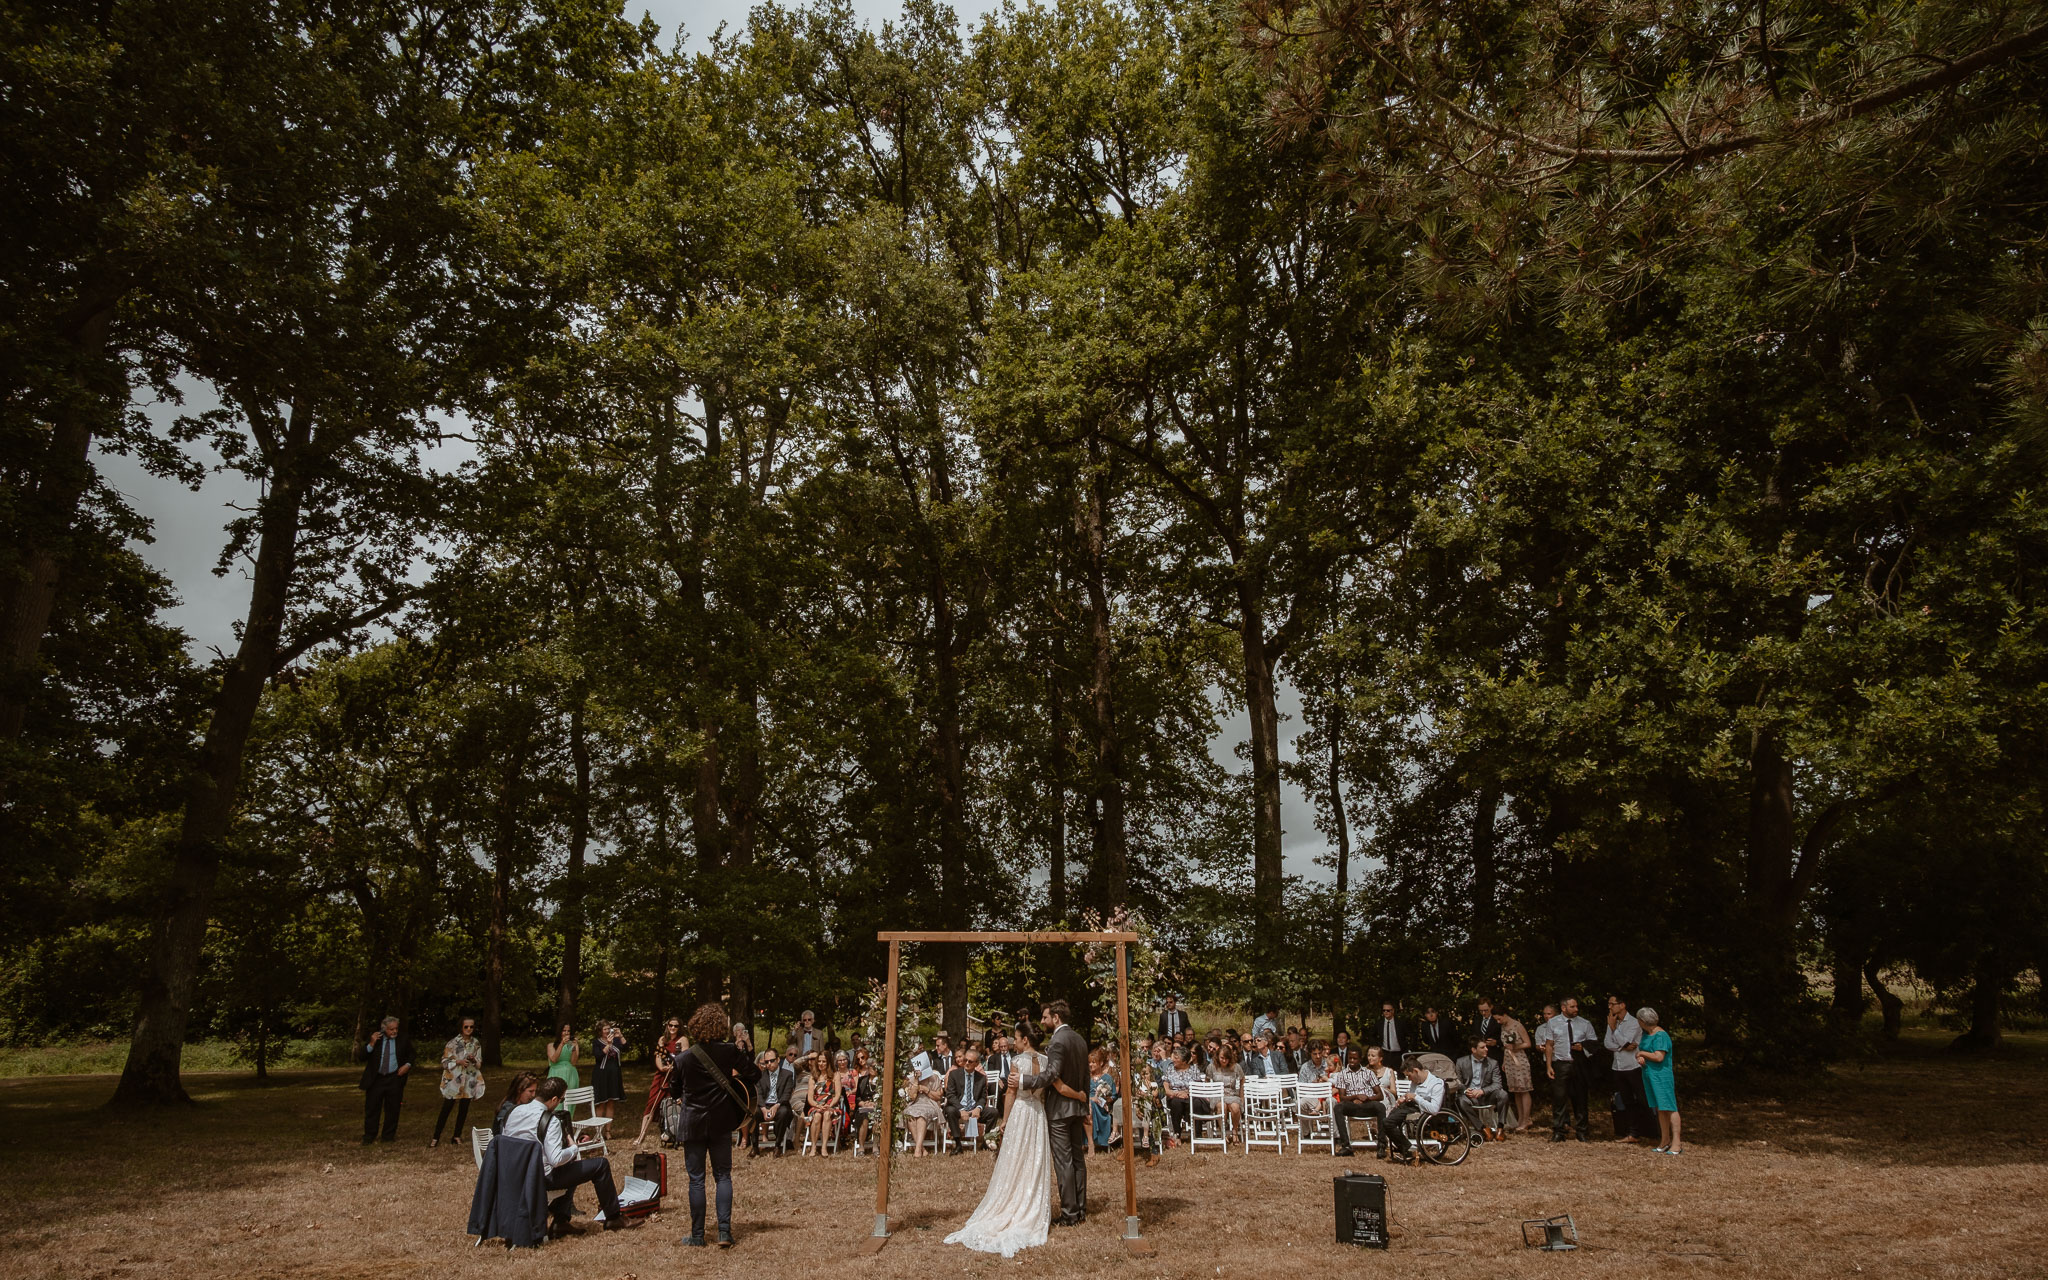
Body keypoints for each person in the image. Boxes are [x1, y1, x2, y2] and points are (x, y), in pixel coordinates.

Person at [945, 1024, 1053, 1256]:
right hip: (1038, 1113)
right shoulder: (1045, 1061)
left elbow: (1012, 1093)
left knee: (1015, 1159)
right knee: (1034, 1157)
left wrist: (1005, 1120)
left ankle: (1012, 1202)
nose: (1014, 1042)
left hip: (1022, 1111)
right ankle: (1030, 1201)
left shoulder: (1017, 1061)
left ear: (1025, 1039)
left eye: (1016, 1038)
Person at [670, 1001, 763, 1248]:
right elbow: (755, 1074)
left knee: (696, 1179)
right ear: (721, 1026)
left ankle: (698, 1236)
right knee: (723, 1176)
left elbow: (674, 1091)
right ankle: (724, 1232)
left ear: (695, 1027)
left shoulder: (683, 1059)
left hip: (693, 1122)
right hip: (721, 1121)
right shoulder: (730, 1051)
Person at [505, 1077, 625, 1237]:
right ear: (554, 1099)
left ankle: (560, 1223)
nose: (559, 1103)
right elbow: (555, 1159)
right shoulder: (550, 1120)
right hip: (540, 1178)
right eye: (561, 1099)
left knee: (570, 1167)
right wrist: (574, 1148)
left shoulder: (514, 1112)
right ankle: (614, 1218)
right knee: (600, 1165)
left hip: (513, 1174)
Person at [1017, 1001, 1092, 1227]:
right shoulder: (1079, 1039)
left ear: (1056, 1017)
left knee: (1064, 1162)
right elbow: (1086, 1076)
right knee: (1078, 1160)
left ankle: (1069, 1213)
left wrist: (1024, 1080)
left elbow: (1051, 1074)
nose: (1042, 1021)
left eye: (1045, 1017)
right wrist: (1084, 1101)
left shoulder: (1058, 1041)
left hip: (1060, 1110)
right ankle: (1080, 1208)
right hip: (1077, 1107)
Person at [1539, 997, 1599, 1142]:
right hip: (1560, 1063)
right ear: (1564, 1008)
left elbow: (1594, 1043)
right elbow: (1549, 1045)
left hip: (1579, 1064)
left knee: (1581, 1098)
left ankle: (1582, 1131)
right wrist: (1548, 1066)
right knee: (1559, 1098)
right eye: (1572, 1007)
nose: (1576, 1009)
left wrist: (1582, 1047)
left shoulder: (1585, 1023)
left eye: (1576, 1006)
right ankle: (1559, 1131)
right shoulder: (1553, 1023)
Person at [355, 1016, 413, 1144]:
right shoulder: (376, 1038)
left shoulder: (403, 1038)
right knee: (372, 1108)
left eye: (396, 1029)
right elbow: (362, 1057)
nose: (394, 1032)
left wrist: (407, 1065)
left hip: (395, 1078)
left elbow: (411, 1055)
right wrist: (371, 1044)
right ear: (384, 1029)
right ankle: (369, 1136)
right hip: (376, 1079)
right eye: (391, 1029)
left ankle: (388, 1137)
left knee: (393, 1109)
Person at [1604, 995, 1654, 1142]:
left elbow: (1629, 1041)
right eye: (1609, 1004)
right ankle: (1633, 1132)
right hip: (1618, 1067)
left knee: (1642, 1099)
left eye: (1612, 1004)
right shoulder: (1611, 1021)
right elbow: (1608, 1043)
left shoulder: (1633, 1022)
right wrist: (1623, 1046)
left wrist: (1615, 1031)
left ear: (1622, 1005)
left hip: (1633, 1066)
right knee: (1626, 1100)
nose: (1610, 1007)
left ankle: (1652, 1129)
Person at [431, 1016, 485, 1149]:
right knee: (447, 1108)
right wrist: (458, 1062)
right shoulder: (452, 1043)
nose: (469, 1029)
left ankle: (456, 1135)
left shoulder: (476, 1043)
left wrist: (473, 1059)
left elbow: (479, 1065)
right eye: (466, 1026)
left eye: (471, 1027)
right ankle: (436, 1137)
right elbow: (444, 1062)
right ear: (461, 1027)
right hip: (454, 1080)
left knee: (464, 1108)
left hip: (468, 1080)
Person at [1635, 1007, 1682, 1155]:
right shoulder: (1646, 1034)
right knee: (1660, 1108)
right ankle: (1665, 1140)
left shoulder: (1661, 1035)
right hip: (1649, 1074)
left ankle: (1677, 1143)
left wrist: (1642, 1053)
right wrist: (1641, 1058)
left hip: (1661, 1076)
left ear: (1642, 1021)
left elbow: (1659, 1057)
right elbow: (1648, 1053)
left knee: (1669, 1107)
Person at [1381, 1060, 1445, 1165]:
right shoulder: (1415, 1082)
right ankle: (1406, 1147)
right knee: (1386, 1121)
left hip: (1423, 1110)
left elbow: (1434, 1109)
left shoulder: (1436, 1084)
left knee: (1388, 1123)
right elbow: (1412, 1094)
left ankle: (1408, 1148)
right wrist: (1405, 1098)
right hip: (1411, 1106)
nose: (1409, 1079)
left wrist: (1415, 1097)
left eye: (1409, 1076)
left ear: (1416, 1071)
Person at [635, 1017, 686, 1148]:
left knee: (675, 1106)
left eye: (676, 1026)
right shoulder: (662, 1039)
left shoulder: (683, 1040)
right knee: (651, 1105)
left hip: (675, 1077)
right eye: (671, 1025)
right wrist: (661, 1068)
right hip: (661, 1076)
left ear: (679, 1027)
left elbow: (685, 1059)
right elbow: (658, 1057)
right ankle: (641, 1136)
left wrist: (674, 1068)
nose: (673, 1028)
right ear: (667, 1026)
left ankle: (675, 1134)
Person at [1330, 1048, 1387, 1159]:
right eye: (1350, 1058)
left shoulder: (1369, 1073)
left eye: (1355, 1058)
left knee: (1380, 1106)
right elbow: (1342, 1097)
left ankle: (1381, 1145)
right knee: (1338, 1107)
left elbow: (1380, 1095)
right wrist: (1355, 1097)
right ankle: (1346, 1146)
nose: (1352, 1060)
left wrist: (1367, 1098)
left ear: (1360, 1059)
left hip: (1368, 1103)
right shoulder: (1342, 1074)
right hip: (1352, 1105)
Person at [1454, 1039, 1509, 1137]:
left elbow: (1497, 1084)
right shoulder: (1461, 1062)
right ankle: (1482, 1128)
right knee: (1461, 1101)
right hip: (1470, 1096)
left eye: (1486, 1047)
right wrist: (1466, 1090)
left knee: (1503, 1094)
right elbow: (1458, 1082)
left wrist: (1482, 1091)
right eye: (1482, 1047)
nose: (1487, 1049)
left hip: (1487, 1095)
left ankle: (1500, 1128)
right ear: (1474, 1050)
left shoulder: (1493, 1063)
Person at [944, 1046, 994, 1152]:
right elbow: (950, 1095)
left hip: (974, 1109)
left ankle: (986, 1141)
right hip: (958, 1108)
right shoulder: (954, 1074)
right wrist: (961, 1109)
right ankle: (958, 1143)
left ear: (976, 1063)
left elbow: (983, 1097)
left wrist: (978, 1108)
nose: (966, 1063)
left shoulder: (981, 1078)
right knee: (950, 1110)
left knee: (993, 1112)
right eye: (965, 1060)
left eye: (970, 1061)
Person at [1495, 1008, 1536, 1131]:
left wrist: (1515, 1046)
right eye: (1496, 1019)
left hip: (1519, 1060)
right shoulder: (1503, 1027)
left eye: (1499, 1018)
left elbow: (1528, 1043)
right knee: (1516, 1091)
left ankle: (1526, 1119)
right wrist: (1504, 1061)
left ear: (1505, 1014)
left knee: (1524, 1089)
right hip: (1509, 1060)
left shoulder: (1517, 1025)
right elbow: (1505, 1047)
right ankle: (1521, 1119)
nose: (1498, 1021)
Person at [752, 1047, 795, 1155]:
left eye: (771, 1061)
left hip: (780, 1105)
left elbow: (787, 1094)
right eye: (766, 1062)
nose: (769, 1064)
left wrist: (776, 1106)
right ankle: (755, 1146)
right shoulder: (760, 1076)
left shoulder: (787, 1074)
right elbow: (759, 1094)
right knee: (752, 1112)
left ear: (778, 1060)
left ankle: (777, 1145)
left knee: (784, 1112)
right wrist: (763, 1109)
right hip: (764, 1105)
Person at [802, 1052, 840, 1154]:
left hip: (831, 1104)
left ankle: (824, 1147)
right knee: (817, 1115)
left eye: (824, 1061)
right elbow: (810, 1098)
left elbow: (837, 1095)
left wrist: (829, 1105)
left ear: (828, 1063)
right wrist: (818, 1105)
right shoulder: (813, 1077)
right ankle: (813, 1146)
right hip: (816, 1105)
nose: (821, 1064)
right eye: (819, 1061)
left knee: (827, 1114)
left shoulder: (835, 1075)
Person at [904, 1062, 945, 1154]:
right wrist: (916, 1081)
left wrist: (926, 1090)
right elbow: (911, 1097)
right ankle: (921, 1148)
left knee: (921, 1114)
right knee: (909, 1114)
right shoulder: (912, 1079)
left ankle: (917, 1149)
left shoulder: (935, 1078)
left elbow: (938, 1097)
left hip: (930, 1103)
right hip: (915, 1103)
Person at [1207, 1042, 1245, 1135]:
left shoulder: (1236, 1067)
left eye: (1226, 1059)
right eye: (1222, 1058)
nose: (1224, 1061)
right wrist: (1208, 1095)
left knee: (1235, 1108)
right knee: (1221, 1106)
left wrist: (1241, 1096)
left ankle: (1235, 1130)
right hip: (1217, 1095)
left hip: (1231, 1094)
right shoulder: (1212, 1067)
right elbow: (1207, 1080)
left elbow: (1242, 1079)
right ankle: (1223, 1132)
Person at [592, 1021, 626, 1120]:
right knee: (601, 1103)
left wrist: (620, 1036)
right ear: (600, 1031)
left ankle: (608, 1131)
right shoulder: (597, 1042)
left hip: (614, 1074)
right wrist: (608, 1044)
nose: (607, 1031)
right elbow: (598, 1056)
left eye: (608, 1029)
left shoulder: (615, 1040)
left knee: (611, 1103)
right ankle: (598, 1131)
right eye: (605, 1029)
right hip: (601, 1075)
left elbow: (626, 1047)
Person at [1087, 1047, 1119, 1152]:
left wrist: (1102, 1099)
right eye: (1089, 1063)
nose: (1091, 1065)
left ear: (1100, 1063)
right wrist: (1092, 1099)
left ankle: (1093, 1141)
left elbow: (1113, 1096)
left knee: (1093, 1104)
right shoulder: (1086, 1078)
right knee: (1090, 1104)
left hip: (1103, 1106)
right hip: (1088, 1103)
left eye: (1093, 1062)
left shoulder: (1107, 1078)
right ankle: (1090, 1141)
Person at [850, 1047, 880, 1153]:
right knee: (864, 1117)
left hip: (876, 1107)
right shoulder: (863, 1080)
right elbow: (857, 1097)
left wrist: (874, 1103)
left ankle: (875, 1146)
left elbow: (882, 1097)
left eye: (875, 1067)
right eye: (871, 1067)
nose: (873, 1069)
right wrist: (863, 1103)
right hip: (863, 1107)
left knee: (877, 1117)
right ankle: (861, 1147)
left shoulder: (881, 1082)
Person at [545, 1023, 579, 1092]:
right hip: (556, 1074)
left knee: (570, 1100)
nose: (566, 1033)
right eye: (564, 1030)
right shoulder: (551, 1045)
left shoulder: (571, 1044)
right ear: (560, 1032)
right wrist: (562, 1044)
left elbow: (573, 1062)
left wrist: (574, 1048)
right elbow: (554, 1059)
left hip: (570, 1074)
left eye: (568, 1031)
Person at [1372, 1002, 1407, 1068]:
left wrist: (1408, 1049)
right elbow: (1372, 1035)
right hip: (1385, 1054)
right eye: (1384, 1010)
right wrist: (1377, 1046)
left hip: (1398, 1054)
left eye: (1388, 1010)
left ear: (1393, 1011)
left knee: (1399, 1075)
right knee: (1384, 1075)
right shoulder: (1379, 1023)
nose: (1386, 1012)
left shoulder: (1400, 1023)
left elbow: (1412, 1035)